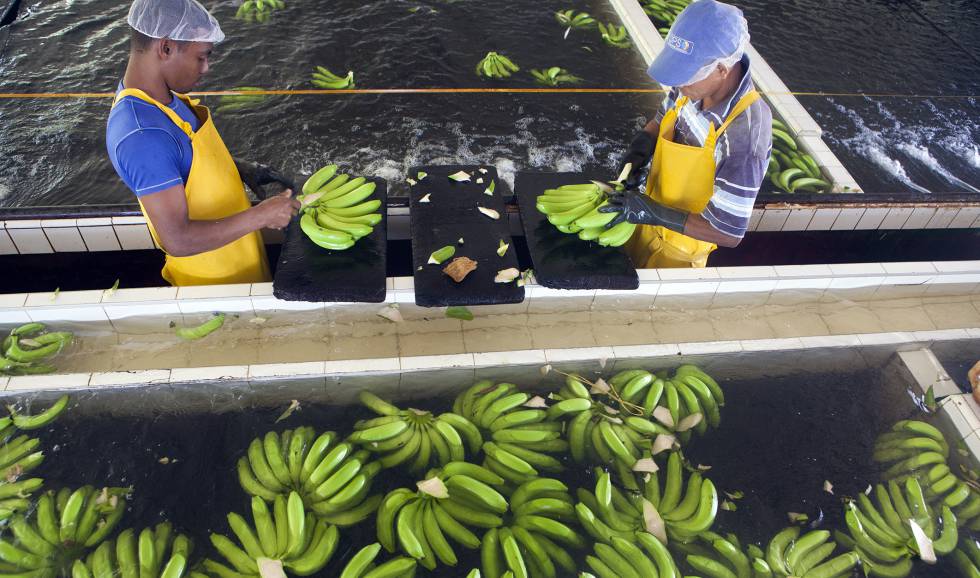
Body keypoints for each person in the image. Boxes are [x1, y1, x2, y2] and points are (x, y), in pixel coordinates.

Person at [106, 0, 299, 286]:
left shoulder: (160, 98)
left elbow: (182, 158)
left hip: (237, 254)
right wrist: (261, 215)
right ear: (166, 48)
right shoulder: (142, 135)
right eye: (201, 57)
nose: (206, 68)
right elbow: (177, 239)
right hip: (216, 282)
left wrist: (237, 168)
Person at [601, 0, 772, 268]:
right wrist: (641, 146)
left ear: (721, 69)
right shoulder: (691, 86)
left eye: (686, 76)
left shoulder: (744, 138)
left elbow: (728, 232)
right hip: (643, 217)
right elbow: (661, 120)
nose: (679, 84)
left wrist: (652, 213)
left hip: (678, 253)